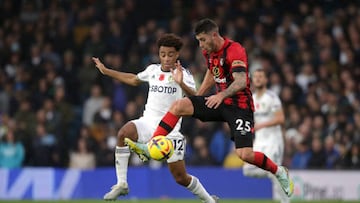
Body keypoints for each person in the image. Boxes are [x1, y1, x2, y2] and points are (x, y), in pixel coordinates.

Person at [125, 18, 294, 198]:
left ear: (214, 35)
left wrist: (220, 95)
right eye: (198, 41)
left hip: (239, 107)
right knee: (179, 105)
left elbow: (241, 81)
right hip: (217, 102)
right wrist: (198, 96)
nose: (200, 45)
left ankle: (279, 172)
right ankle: (151, 144)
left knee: (245, 154)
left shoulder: (234, 50)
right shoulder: (209, 52)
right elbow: (212, 74)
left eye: (203, 40)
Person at [92, 33, 218, 202]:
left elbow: (196, 98)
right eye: (163, 54)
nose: (166, 58)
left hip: (170, 131)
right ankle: (122, 184)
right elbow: (133, 79)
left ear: (177, 55)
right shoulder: (152, 70)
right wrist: (107, 71)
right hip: (147, 122)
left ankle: (209, 200)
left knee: (181, 178)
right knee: (123, 133)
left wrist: (180, 82)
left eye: (170, 54)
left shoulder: (183, 74)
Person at [242, 69, 290, 203]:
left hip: (274, 140)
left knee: (273, 174)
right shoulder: (251, 98)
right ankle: (279, 171)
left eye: (260, 77)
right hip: (259, 141)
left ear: (266, 80)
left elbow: (280, 119)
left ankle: (285, 201)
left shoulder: (272, 97)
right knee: (247, 170)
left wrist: (261, 125)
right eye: (255, 77)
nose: (257, 79)